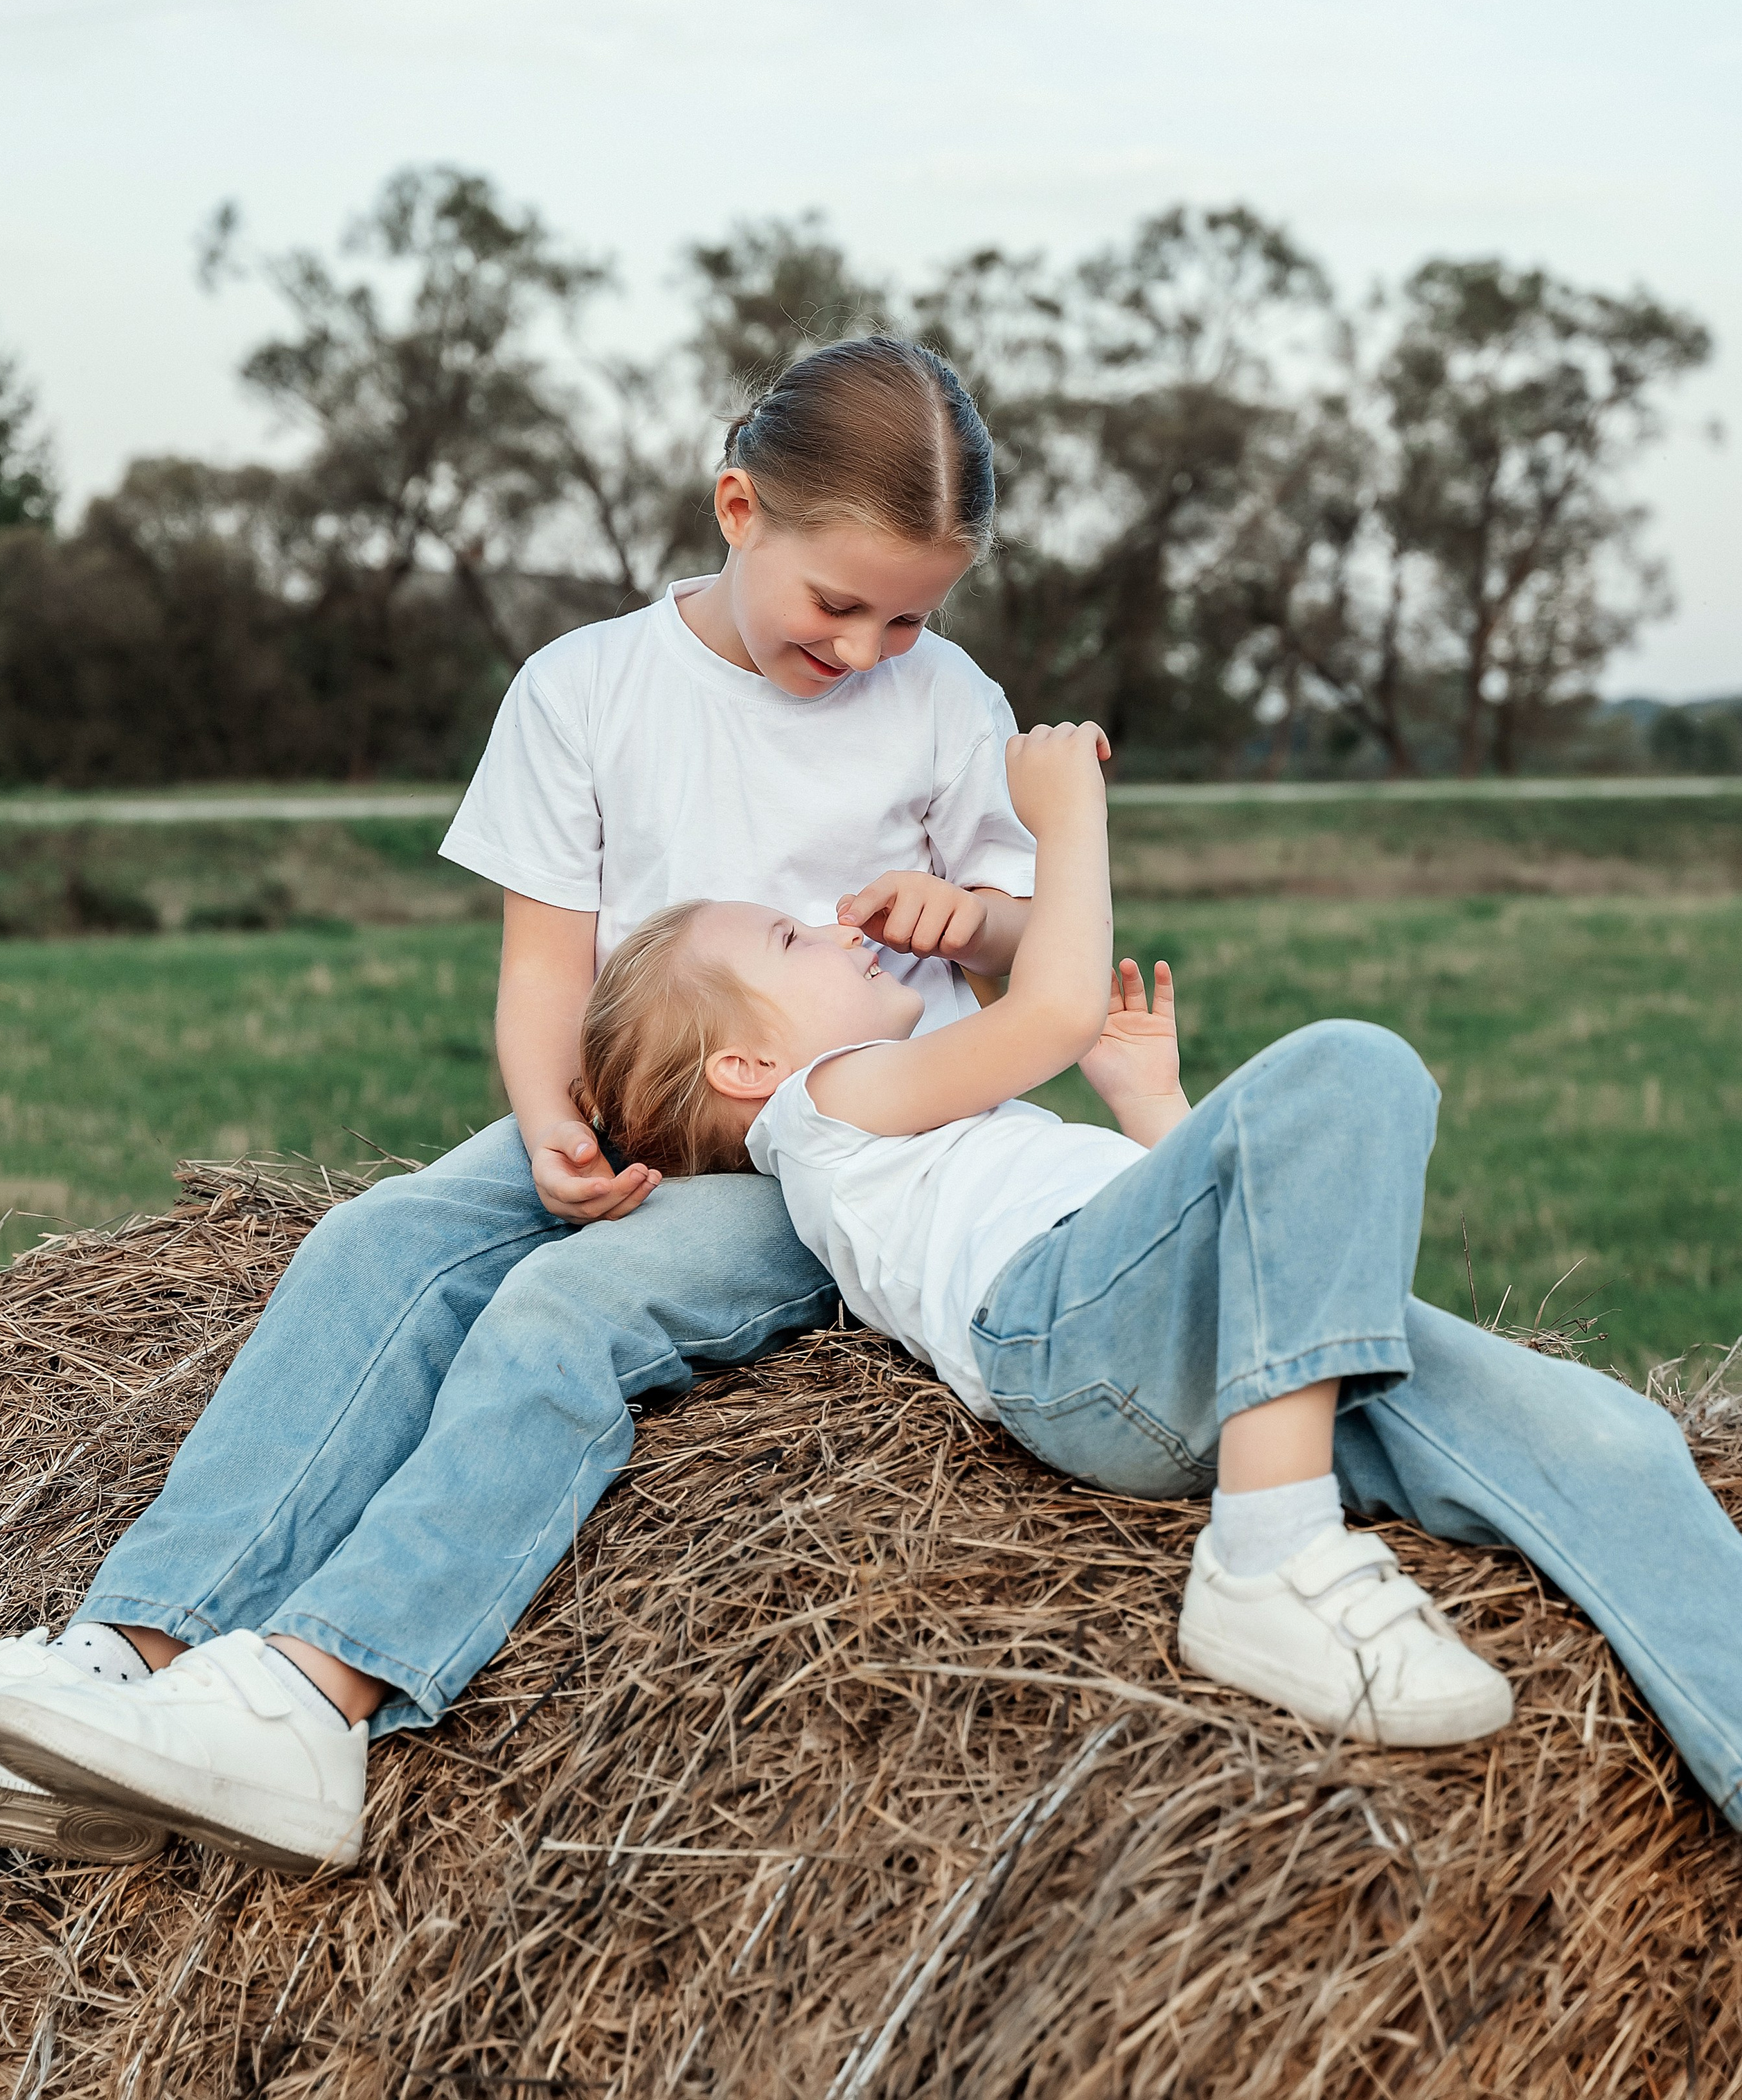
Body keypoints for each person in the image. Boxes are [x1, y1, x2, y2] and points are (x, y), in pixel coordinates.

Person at [0, 339, 1039, 1876]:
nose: (870, 645)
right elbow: (546, 966)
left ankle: (314, 1703)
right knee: (374, 1240)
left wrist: (964, 916)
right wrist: (548, 1115)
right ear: (738, 507)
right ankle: (127, 1655)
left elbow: (1028, 937)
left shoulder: (946, 701)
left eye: (910, 614)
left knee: (569, 1306)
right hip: (639, 1096)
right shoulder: (584, 689)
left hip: (841, 1133)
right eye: (837, 603)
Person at [564, 724, 1742, 1819]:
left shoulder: (895, 1110)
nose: (831, 927)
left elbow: (1251, 1240)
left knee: (1610, 1448)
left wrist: (1155, 1110)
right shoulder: (819, 1106)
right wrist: (1068, 817)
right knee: (1349, 1067)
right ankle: (1271, 1552)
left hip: (1178, 1346)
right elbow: (1057, 1006)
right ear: (744, 1065)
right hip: (1064, 1341)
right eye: (786, 939)